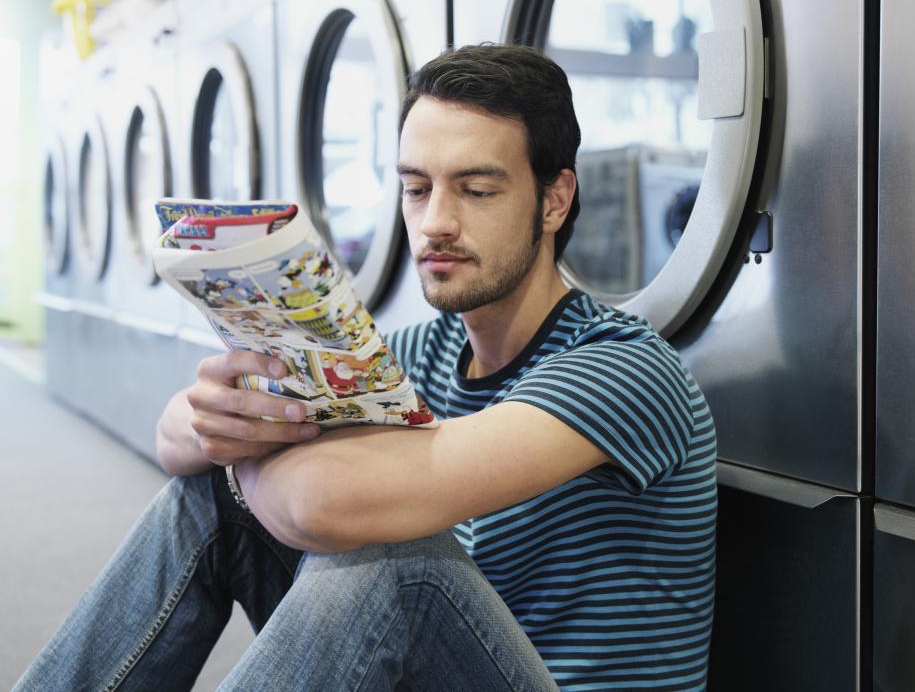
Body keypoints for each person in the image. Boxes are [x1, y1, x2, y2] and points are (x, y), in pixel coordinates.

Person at [15, 44, 716, 692]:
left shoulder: (623, 368)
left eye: (476, 190)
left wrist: (244, 459)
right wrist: (213, 421)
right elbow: (176, 447)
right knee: (207, 497)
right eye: (416, 189)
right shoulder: (418, 352)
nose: (435, 221)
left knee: (398, 559)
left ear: (554, 199)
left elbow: (328, 504)